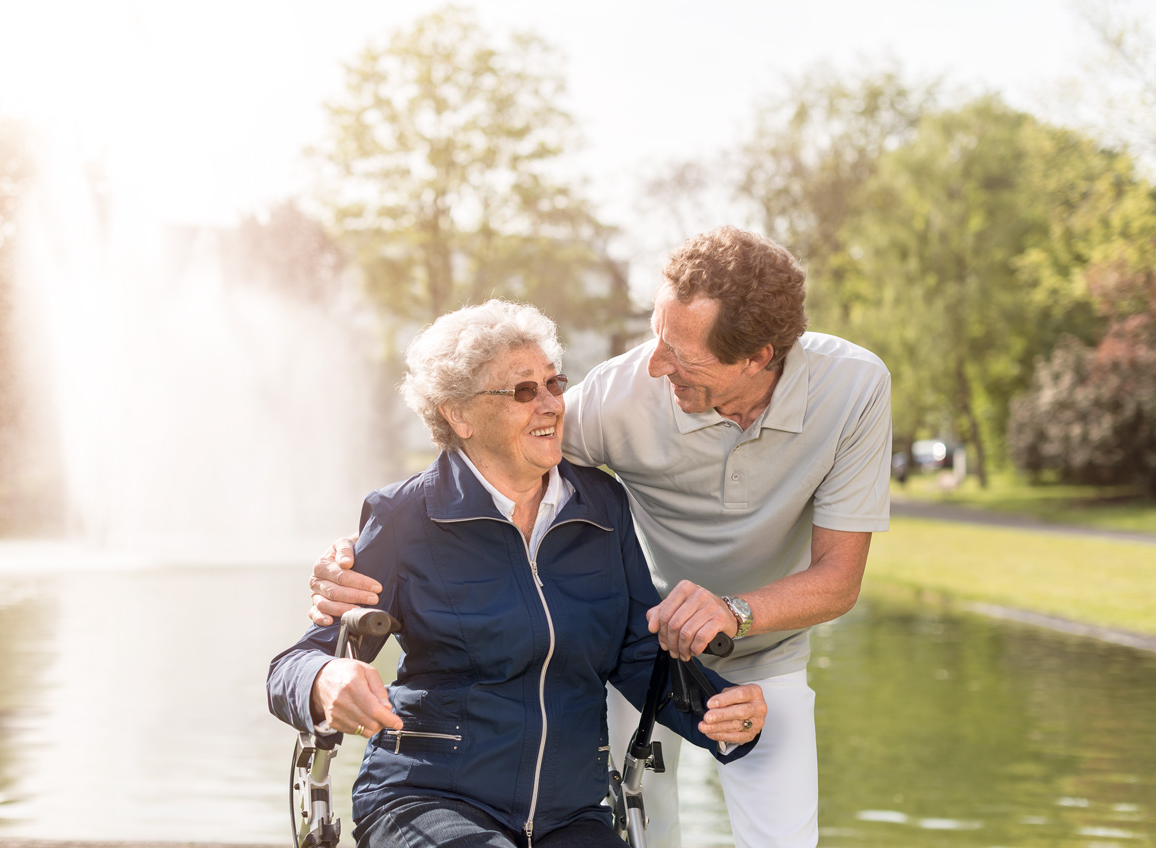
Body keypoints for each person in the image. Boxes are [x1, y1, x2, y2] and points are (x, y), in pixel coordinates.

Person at [309, 227, 893, 848]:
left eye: (682, 355)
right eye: (657, 336)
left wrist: (729, 647)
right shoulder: (620, 398)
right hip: (601, 669)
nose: (656, 363)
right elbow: (486, 464)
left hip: (740, 653)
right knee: (650, 831)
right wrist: (371, 544)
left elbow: (838, 579)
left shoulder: (851, 389)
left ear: (756, 358)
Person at [268, 299, 767, 848]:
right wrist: (324, 680)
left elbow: (636, 652)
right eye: (524, 391)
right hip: (427, 797)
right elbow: (296, 662)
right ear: (459, 414)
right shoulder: (405, 516)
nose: (551, 404)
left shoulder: (602, 506)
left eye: (554, 384)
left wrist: (721, 712)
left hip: (571, 812)